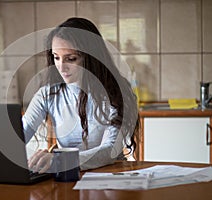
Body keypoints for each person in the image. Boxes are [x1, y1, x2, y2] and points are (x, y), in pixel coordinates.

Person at [22, 17, 139, 173]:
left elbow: (109, 151)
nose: (61, 67)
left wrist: (60, 161)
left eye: (71, 59)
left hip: (109, 178)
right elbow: (20, 134)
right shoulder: (47, 94)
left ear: (91, 58)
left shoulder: (115, 93)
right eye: (56, 57)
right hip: (68, 179)